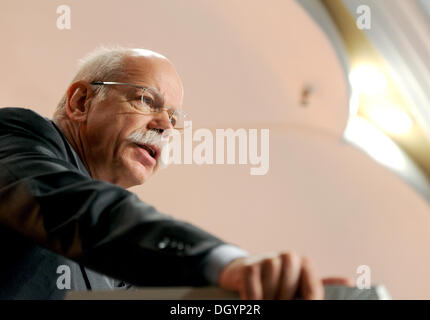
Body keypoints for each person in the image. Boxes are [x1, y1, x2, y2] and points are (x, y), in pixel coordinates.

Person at [0, 46, 350, 299]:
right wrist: (225, 263)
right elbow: (76, 208)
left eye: (174, 119)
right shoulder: (17, 133)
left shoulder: (126, 269)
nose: (165, 125)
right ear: (80, 102)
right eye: (147, 101)